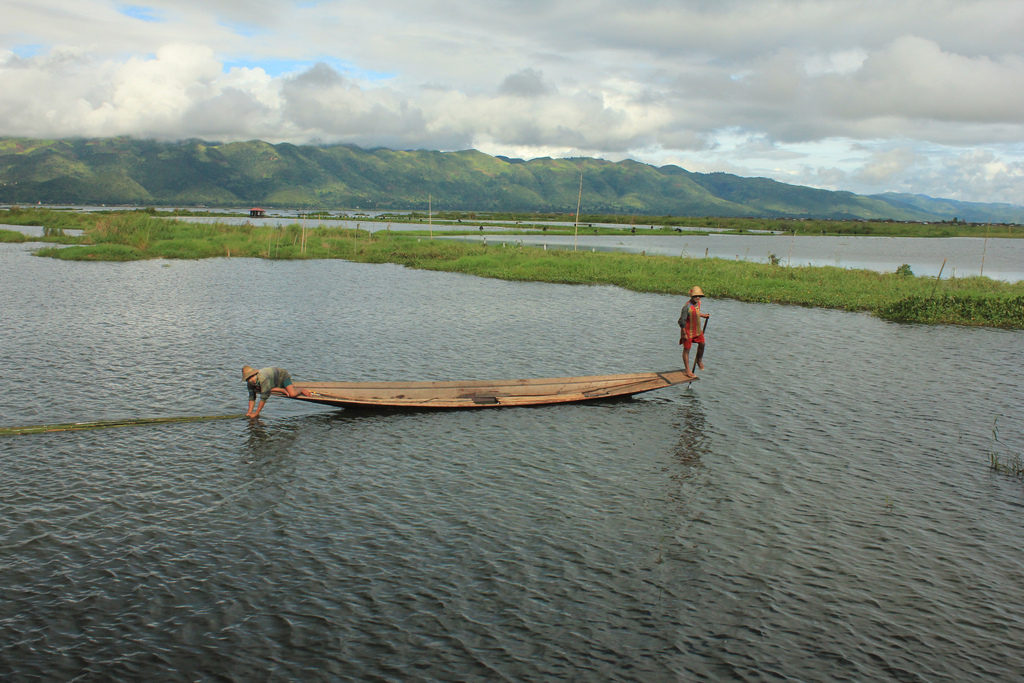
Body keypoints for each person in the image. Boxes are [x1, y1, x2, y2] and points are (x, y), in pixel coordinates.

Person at [243, 365, 312, 418]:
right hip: (272, 382)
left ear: (255, 374)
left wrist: (256, 413)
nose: (252, 379)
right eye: (249, 378)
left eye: (252, 376)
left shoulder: (263, 378)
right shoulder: (250, 383)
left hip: (282, 376)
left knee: (292, 394)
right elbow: (252, 397)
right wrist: (249, 412)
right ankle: (281, 389)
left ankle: (300, 389)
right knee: (261, 388)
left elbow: (264, 397)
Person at [678, 286, 710, 378]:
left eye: (699, 296)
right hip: (688, 331)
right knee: (687, 349)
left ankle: (699, 360)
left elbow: (696, 312)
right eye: (696, 296)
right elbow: (681, 321)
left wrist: (703, 315)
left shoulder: (698, 303)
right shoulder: (686, 307)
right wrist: (683, 333)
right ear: (692, 296)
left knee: (702, 344)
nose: (697, 298)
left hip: (697, 330)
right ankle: (687, 370)